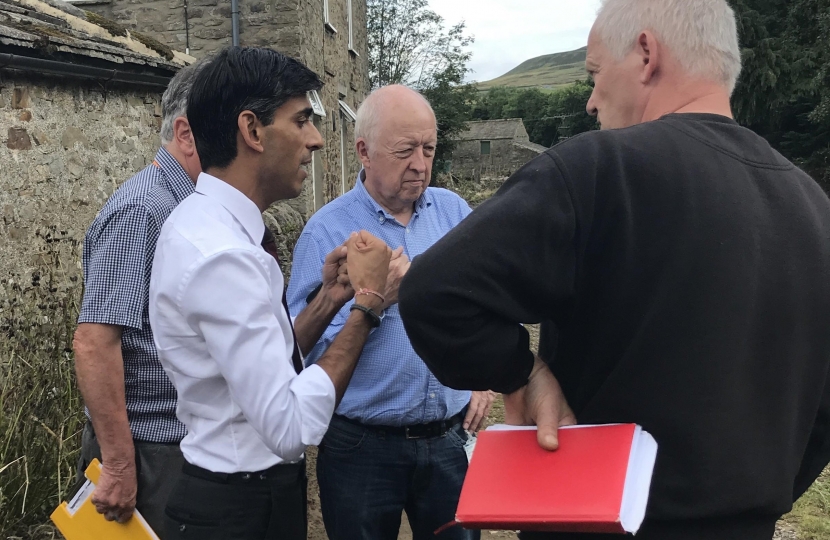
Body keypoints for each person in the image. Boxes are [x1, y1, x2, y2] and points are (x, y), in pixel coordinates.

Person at [397, 1, 830, 539]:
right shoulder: (816, 209)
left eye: (597, 75)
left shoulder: (598, 170)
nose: (590, 101)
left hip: (591, 522)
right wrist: (756, 493)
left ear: (647, 54)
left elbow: (433, 292)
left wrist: (521, 373)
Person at [148, 46, 392, 540]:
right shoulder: (222, 255)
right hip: (238, 508)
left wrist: (331, 298)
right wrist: (369, 303)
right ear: (252, 130)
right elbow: (288, 429)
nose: (317, 140)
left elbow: (259, 367)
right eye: (301, 119)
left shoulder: (212, 228)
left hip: (237, 498)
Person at [287, 84, 493, 540]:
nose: (420, 164)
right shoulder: (327, 232)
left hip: (448, 439)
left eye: (429, 148)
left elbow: (490, 303)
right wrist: (374, 300)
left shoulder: (454, 213)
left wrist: (483, 377)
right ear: (363, 150)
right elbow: (295, 352)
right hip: (361, 444)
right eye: (405, 150)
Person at [72, 60, 205, 534]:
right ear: (187, 134)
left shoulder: (186, 207)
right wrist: (120, 466)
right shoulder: (143, 210)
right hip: (149, 455)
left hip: (175, 450)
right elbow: (93, 342)